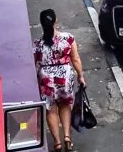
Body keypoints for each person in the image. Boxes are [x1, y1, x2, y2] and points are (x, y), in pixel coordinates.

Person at [33, 8, 85, 151]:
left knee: (51, 110)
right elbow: (75, 58)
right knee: (65, 105)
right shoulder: (68, 38)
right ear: (56, 21)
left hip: (46, 80)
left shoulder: (37, 44)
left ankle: (57, 142)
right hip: (64, 77)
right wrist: (80, 75)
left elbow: (34, 63)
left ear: (42, 24)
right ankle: (67, 137)